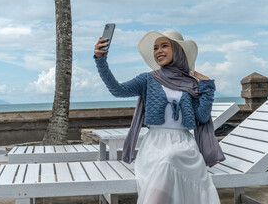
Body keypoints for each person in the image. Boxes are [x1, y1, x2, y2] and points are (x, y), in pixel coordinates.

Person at [94, 30, 221, 204]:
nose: (158, 51)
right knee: (167, 160)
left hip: (184, 145)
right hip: (154, 145)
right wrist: (101, 61)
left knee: (171, 158)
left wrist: (207, 87)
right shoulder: (148, 79)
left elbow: (202, 116)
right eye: (155, 48)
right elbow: (117, 90)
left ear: (177, 50)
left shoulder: (191, 83)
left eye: (164, 45)